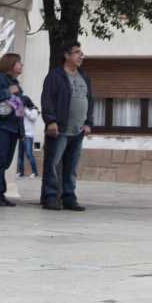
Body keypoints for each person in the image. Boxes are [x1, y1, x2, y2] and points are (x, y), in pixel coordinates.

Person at [40, 40, 96, 212]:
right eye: (77, 52)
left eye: (81, 52)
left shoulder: (84, 76)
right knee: (53, 164)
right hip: (60, 129)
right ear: (66, 55)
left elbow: (90, 100)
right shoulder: (55, 76)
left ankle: (69, 197)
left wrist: (88, 122)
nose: (81, 56)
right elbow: (47, 99)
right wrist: (50, 120)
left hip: (78, 130)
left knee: (71, 167)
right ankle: (51, 197)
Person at [0, 52, 28, 207]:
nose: (21, 65)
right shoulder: (0, 78)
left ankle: (0, 193)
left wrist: (21, 132)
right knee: (0, 159)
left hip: (12, 127)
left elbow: (18, 108)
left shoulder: (14, 82)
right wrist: (9, 91)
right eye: (19, 63)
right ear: (11, 64)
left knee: (6, 161)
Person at [17, 93, 41, 177]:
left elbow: (33, 118)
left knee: (29, 154)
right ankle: (21, 172)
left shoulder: (33, 110)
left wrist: (25, 110)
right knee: (20, 155)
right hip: (21, 135)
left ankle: (35, 172)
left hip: (28, 135)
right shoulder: (21, 110)